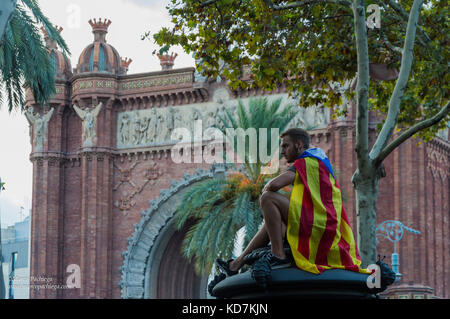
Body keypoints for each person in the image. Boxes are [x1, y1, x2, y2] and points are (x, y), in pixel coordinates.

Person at [216, 128, 369, 276]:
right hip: (321, 224)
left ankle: (278, 256)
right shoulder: (319, 161)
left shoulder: (307, 162)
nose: (282, 151)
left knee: (267, 198)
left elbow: (273, 185)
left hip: (318, 225)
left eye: (285, 146)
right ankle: (235, 265)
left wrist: (264, 192)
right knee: (271, 225)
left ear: (299, 145)